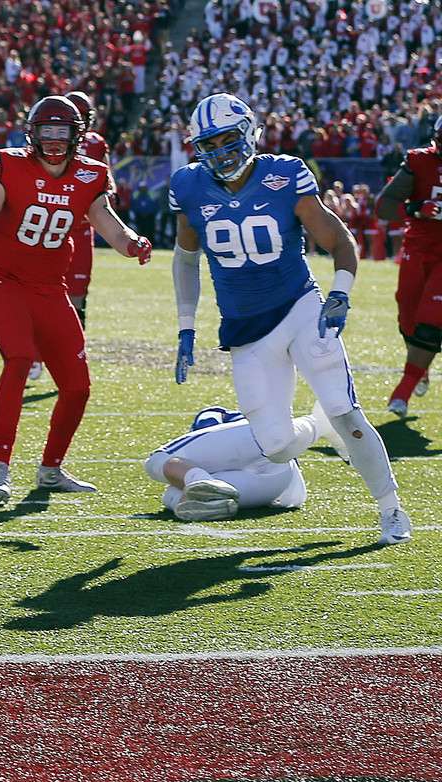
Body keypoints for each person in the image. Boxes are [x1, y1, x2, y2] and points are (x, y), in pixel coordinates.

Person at [168, 92, 410, 546]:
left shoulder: (283, 175)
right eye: (210, 144)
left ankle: (390, 509)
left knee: (346, 411)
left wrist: (339, 295)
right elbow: (185, 258)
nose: (220, 153)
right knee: (276, 444)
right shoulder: (188, 186)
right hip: (244, 330)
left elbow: (340, 242)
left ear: (249, 134)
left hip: (300, 309)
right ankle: (317, 427)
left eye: (227, 141)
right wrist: (186, 325)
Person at [0, 95, 152, 502]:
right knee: (19, 360)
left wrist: (132, 243)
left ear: (77, 135)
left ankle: (51, 469)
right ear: (32, 133)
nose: (54, 140)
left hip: (52, 289)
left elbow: (108, 223)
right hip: (6, 283)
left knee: (77, 387)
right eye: (47, 131)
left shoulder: (91, 174)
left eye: (62, 132)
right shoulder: (9, 163)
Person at [144, 403, 345, 521]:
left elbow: (209, 418)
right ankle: (207, 494)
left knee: (157, 460)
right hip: (278, 482)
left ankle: (318, 423)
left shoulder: (217, 420)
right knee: (174, 493)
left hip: (258, 442)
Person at [374, 115, 442, 417]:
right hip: (418, 247)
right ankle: (421, 368)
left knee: (432, 318)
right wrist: (416, 207)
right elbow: (384, 206)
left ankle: (402, 390)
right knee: (408, 314)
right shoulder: (419, 161)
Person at [62, 91, 116, 329]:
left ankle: (67, 339)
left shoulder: (95, 143)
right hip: (69, 225)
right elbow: (110, 187)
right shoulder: (91, 143)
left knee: (72, 290)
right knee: (71, 293)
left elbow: (108, 184)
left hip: (70, 226)